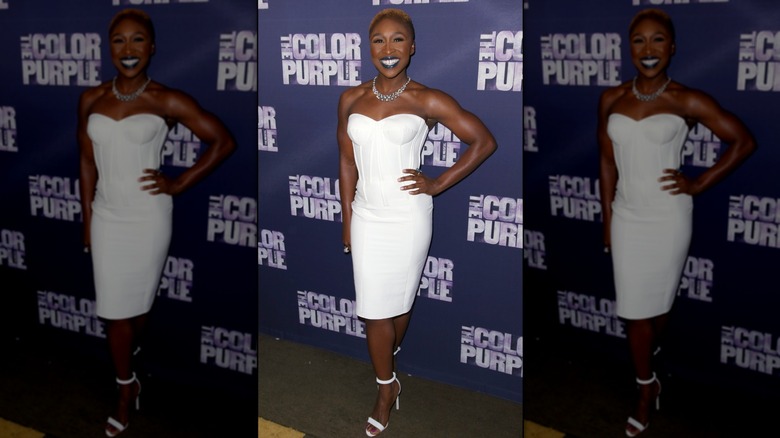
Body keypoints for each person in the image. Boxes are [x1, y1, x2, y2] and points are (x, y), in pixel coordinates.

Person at [337, 8, 497, 437]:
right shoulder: (351, 98)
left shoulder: (428, 99)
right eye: (378, 41)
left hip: (408, 217)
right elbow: (347, 162)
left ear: (411, 47)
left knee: (399, 304)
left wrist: (439, 182)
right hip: (368, 215)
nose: (387, 50)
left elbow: (483, 141)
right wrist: (347, 218)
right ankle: (386, 387)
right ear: (368, 47)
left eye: (397, 40)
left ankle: (390, 364)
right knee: (373, 312)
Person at [597, 8, 755, 437]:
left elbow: (743, 141)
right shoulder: (611, 98)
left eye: (658, 40)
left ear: (672, 47)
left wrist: (700, 182)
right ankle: (647, 387)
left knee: (657, 308)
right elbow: (607, 165)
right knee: (633, 312)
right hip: (628, 216)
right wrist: (608, 221)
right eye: (639, 41)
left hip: (668, 217)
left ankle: (651, 365)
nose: (648, 50)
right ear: (629, 48)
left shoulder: (687, 100)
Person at [78, 9, 236, 437]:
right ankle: (126, 388)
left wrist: (180, 181)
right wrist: (87, 220)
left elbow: (223, 140)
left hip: (148, 217)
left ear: (151, 48)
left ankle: (132, 365)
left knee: (138, 309)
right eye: (119, 41)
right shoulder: (91, 98)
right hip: (108, 216)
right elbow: (87, 163)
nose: (128, 50)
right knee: (113, 313)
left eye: (137, 41)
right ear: (108, 47)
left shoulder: (167, 100)